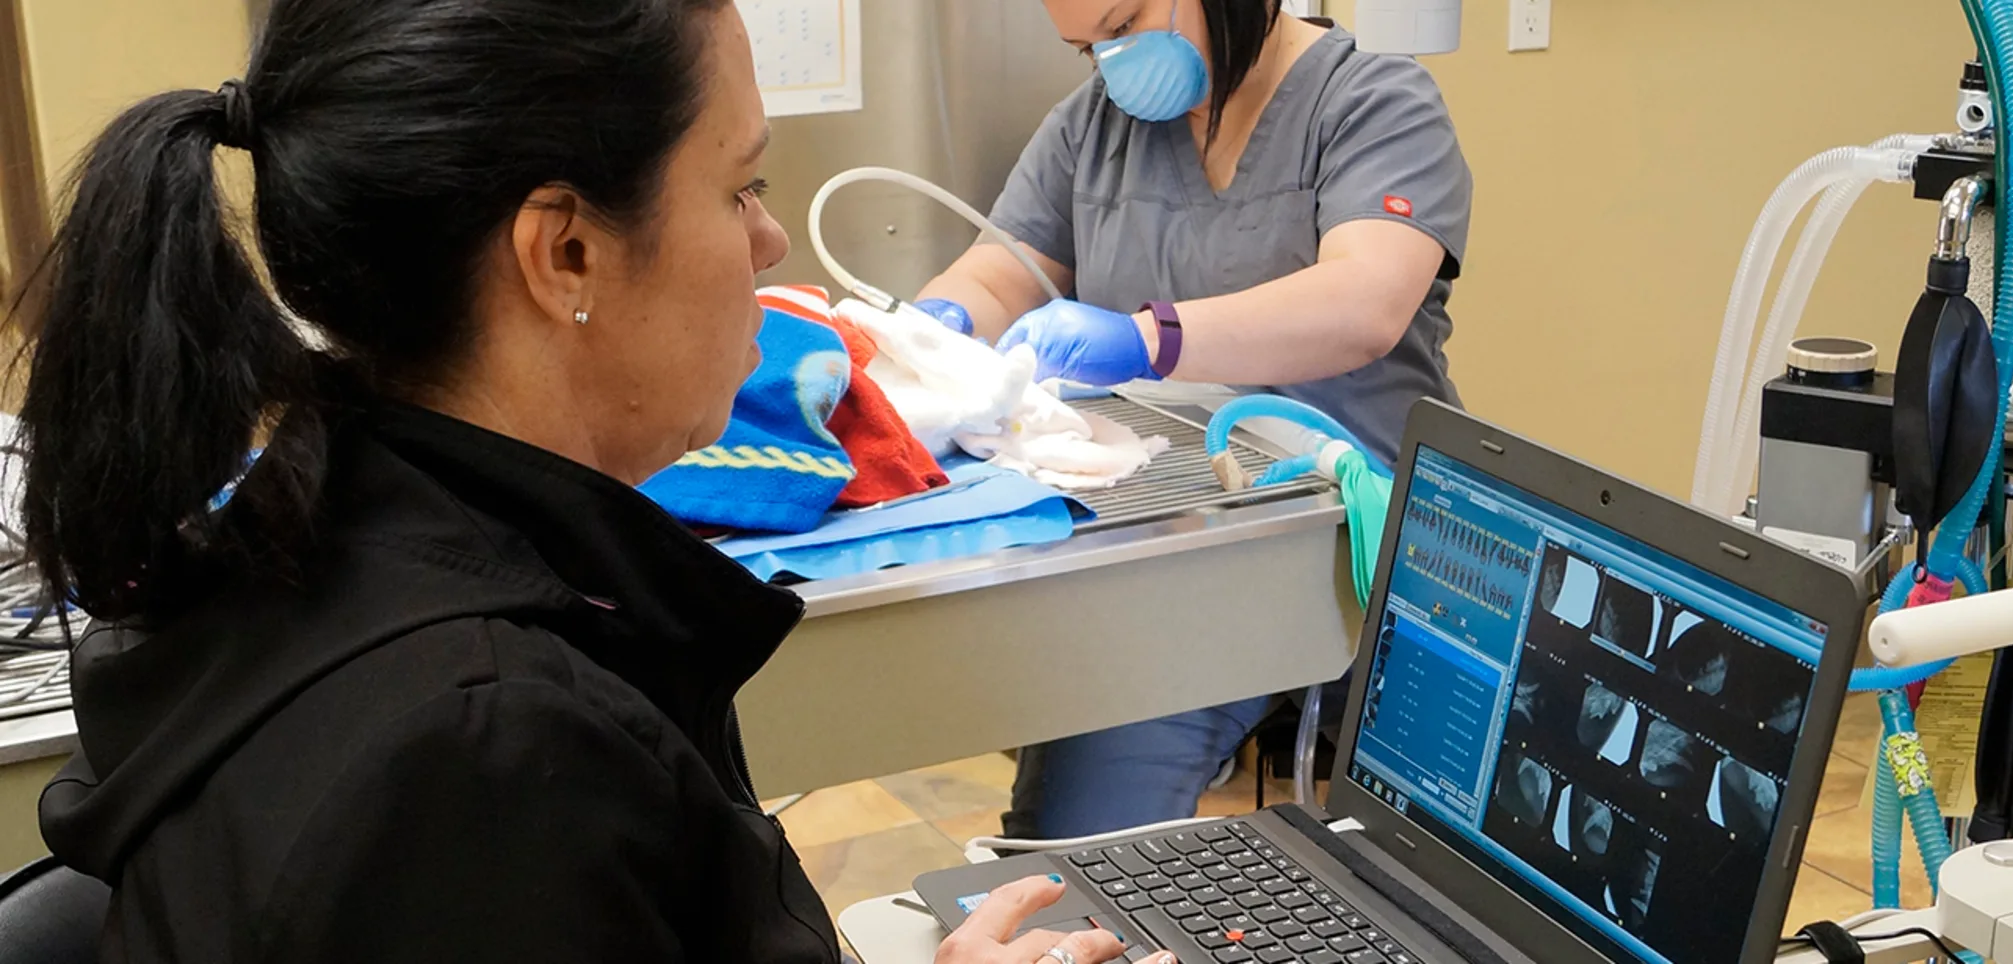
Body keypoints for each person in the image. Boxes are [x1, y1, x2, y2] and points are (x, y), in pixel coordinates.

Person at [12, 2, 1169, 962]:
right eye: (737, 189)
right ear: (564, 251)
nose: (768, 244)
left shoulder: (331, 527)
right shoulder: (486, 759)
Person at [911, 0, 1472, 840]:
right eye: (1088, 45)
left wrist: (1149, 340)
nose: (1113, 58)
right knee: (1064, 852)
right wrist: (929, 336)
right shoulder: (1092, 129)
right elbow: (1002, 273)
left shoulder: (1373, 103)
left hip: (1389, 548)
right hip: (1183, 567)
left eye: (1127, 21)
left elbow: (1365, 303)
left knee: (1470, 866)